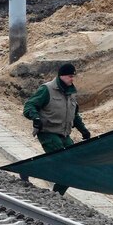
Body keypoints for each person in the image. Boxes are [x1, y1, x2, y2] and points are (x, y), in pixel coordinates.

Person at [23, 62, 91, 195]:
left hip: (64, 134)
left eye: (73, 77)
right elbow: (29, 106)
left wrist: (83, 130)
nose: (72, 79)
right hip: (48, 132)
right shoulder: (46, 89)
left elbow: (74, 115)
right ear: (62, 76)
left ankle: (56, 194)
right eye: (70, 76)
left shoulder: (71, 93)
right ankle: (29, 170)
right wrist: (35, 118)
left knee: (75, 164)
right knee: (63, 162)